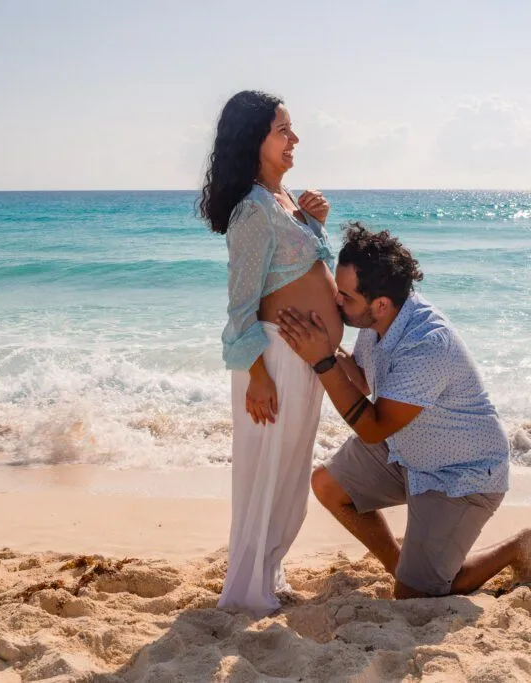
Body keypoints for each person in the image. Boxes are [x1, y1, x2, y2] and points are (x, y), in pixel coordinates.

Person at [276, 223, 531, 599]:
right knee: (328, 485)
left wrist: (322, 362)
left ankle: (516, 547)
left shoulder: (428, 345)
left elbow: (374, 428)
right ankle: (406, 569)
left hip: (460, 475)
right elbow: (364, 379)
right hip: (407, 450)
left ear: (380, 303)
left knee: (416, 596)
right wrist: (323, 344)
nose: (339, 303)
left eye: (346, 298)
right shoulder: (380, 318)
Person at [198, 90, 343, 617]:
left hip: (303, 358)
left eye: (291, 128)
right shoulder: (253, 211)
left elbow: (300, 270)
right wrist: (257, 373)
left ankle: (268, 573)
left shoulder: (283, 203)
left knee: (287, 472)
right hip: (274, 360)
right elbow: (240, 305)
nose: (294, 139)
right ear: (254, 141)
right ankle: (245, 591)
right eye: (282, 130)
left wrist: (315, 221)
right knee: (264, 473)